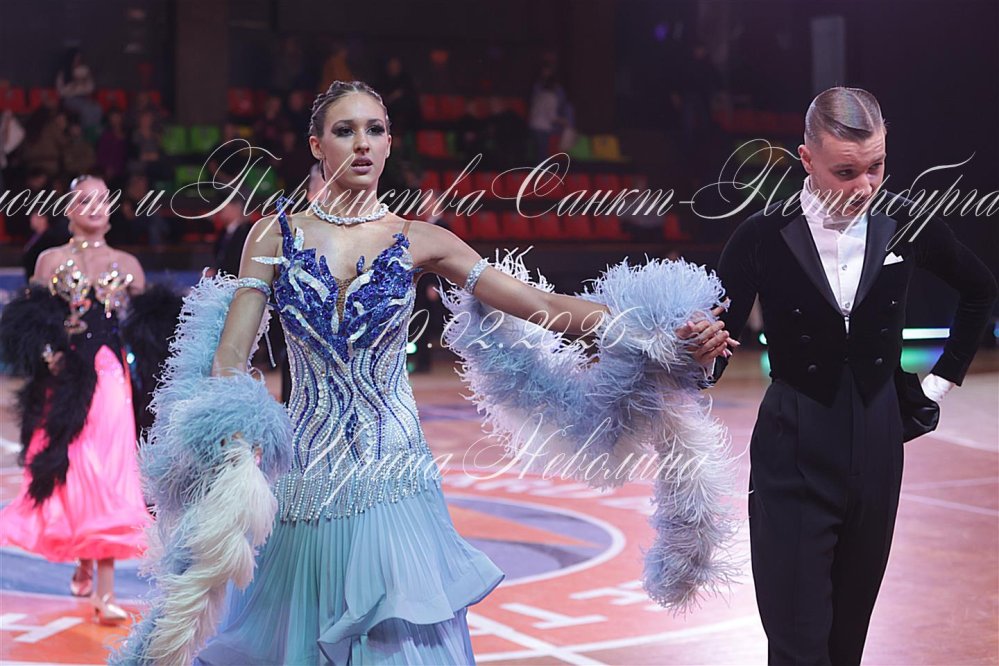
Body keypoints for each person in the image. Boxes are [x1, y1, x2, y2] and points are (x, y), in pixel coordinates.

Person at [115, 81, 737, 665]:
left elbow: (544, 307)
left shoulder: (423, 239)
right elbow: (229, 362)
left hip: (395, 476)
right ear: (316, 145)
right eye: (345, 130)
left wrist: (658, 329)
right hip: (301, 480)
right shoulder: (270, 237)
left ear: (390, 143)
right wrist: (234, 448)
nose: (362, 143)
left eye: (375, 130)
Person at [711, 87, 998, 665]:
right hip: (793, 445)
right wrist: (697, 349)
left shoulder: (907, 221)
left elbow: (980, 289)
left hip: (878, 442)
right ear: (806, 159)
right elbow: (715, 356)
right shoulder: (761, 236)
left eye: (877, 167)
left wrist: (939, 383)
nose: (865, 186)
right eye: (846, 172)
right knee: (797, 646)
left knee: (847, 645)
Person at [0, 175, 152, 625]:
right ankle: (86, 559)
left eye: (103, 200)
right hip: (64, 382)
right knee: (73, 468)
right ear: (68, 208)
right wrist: (48, 356)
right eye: (84, 200)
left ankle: (105, 590)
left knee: (109, 473)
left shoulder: (129, 264)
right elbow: (32, 322)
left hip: (110, 379)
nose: (95, 207)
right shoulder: (49, 260)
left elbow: (146, 333)